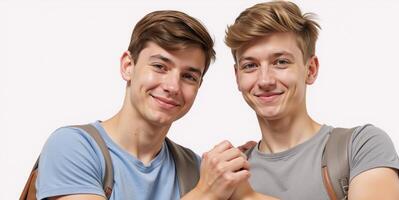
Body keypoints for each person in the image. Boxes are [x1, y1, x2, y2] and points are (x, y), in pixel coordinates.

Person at [35, 10, 273, 200]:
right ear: (128, 66)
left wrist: (240, 181)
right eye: (160, 66)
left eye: (189, 76)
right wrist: (207, 193)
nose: (172, 86)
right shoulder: (75, 147)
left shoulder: (192, 168)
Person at [224, 1, 399, 199]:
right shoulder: (229, 173)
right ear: (237, 77)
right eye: (250, 66)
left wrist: (249, 197)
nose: (265, 80)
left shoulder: (361, 146)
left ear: (310, 70)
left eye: (281, 62)